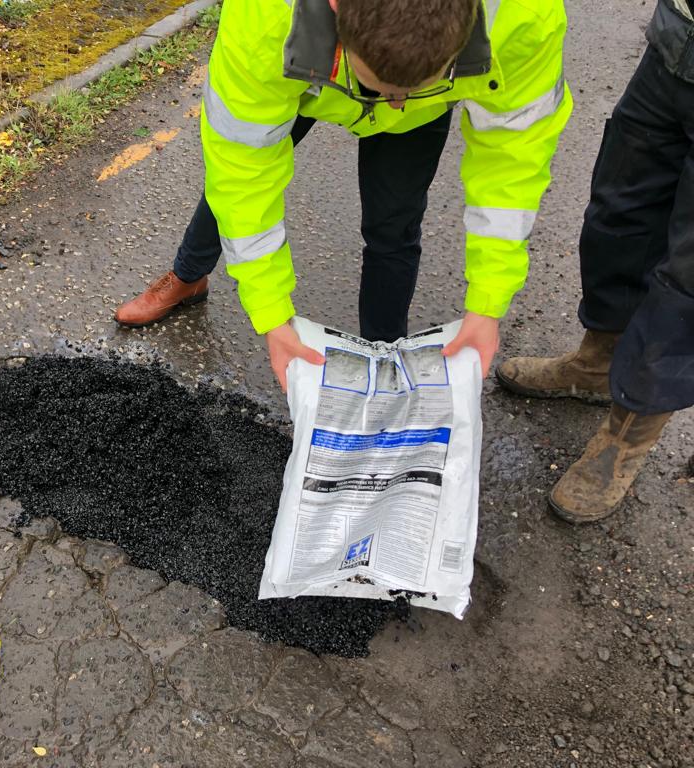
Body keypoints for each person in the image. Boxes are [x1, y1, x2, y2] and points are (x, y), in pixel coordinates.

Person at [115, 0, 572, 392]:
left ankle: (385, 357)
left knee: (394, 223)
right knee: (232, 186)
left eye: (410, 90)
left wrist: (488, 303)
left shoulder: (521, 17)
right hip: (309, 75)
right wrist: (272, 315)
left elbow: (514, 158)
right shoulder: (266, 21)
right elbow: (242, 171)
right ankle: (187, 275)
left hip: (424, 101)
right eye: (382, 89)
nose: (393, 105)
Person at [495, 0, 694, 524]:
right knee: (620, 212)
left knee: (687, 278)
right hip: (678, 41)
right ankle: (599, 363)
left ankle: (628, 433)